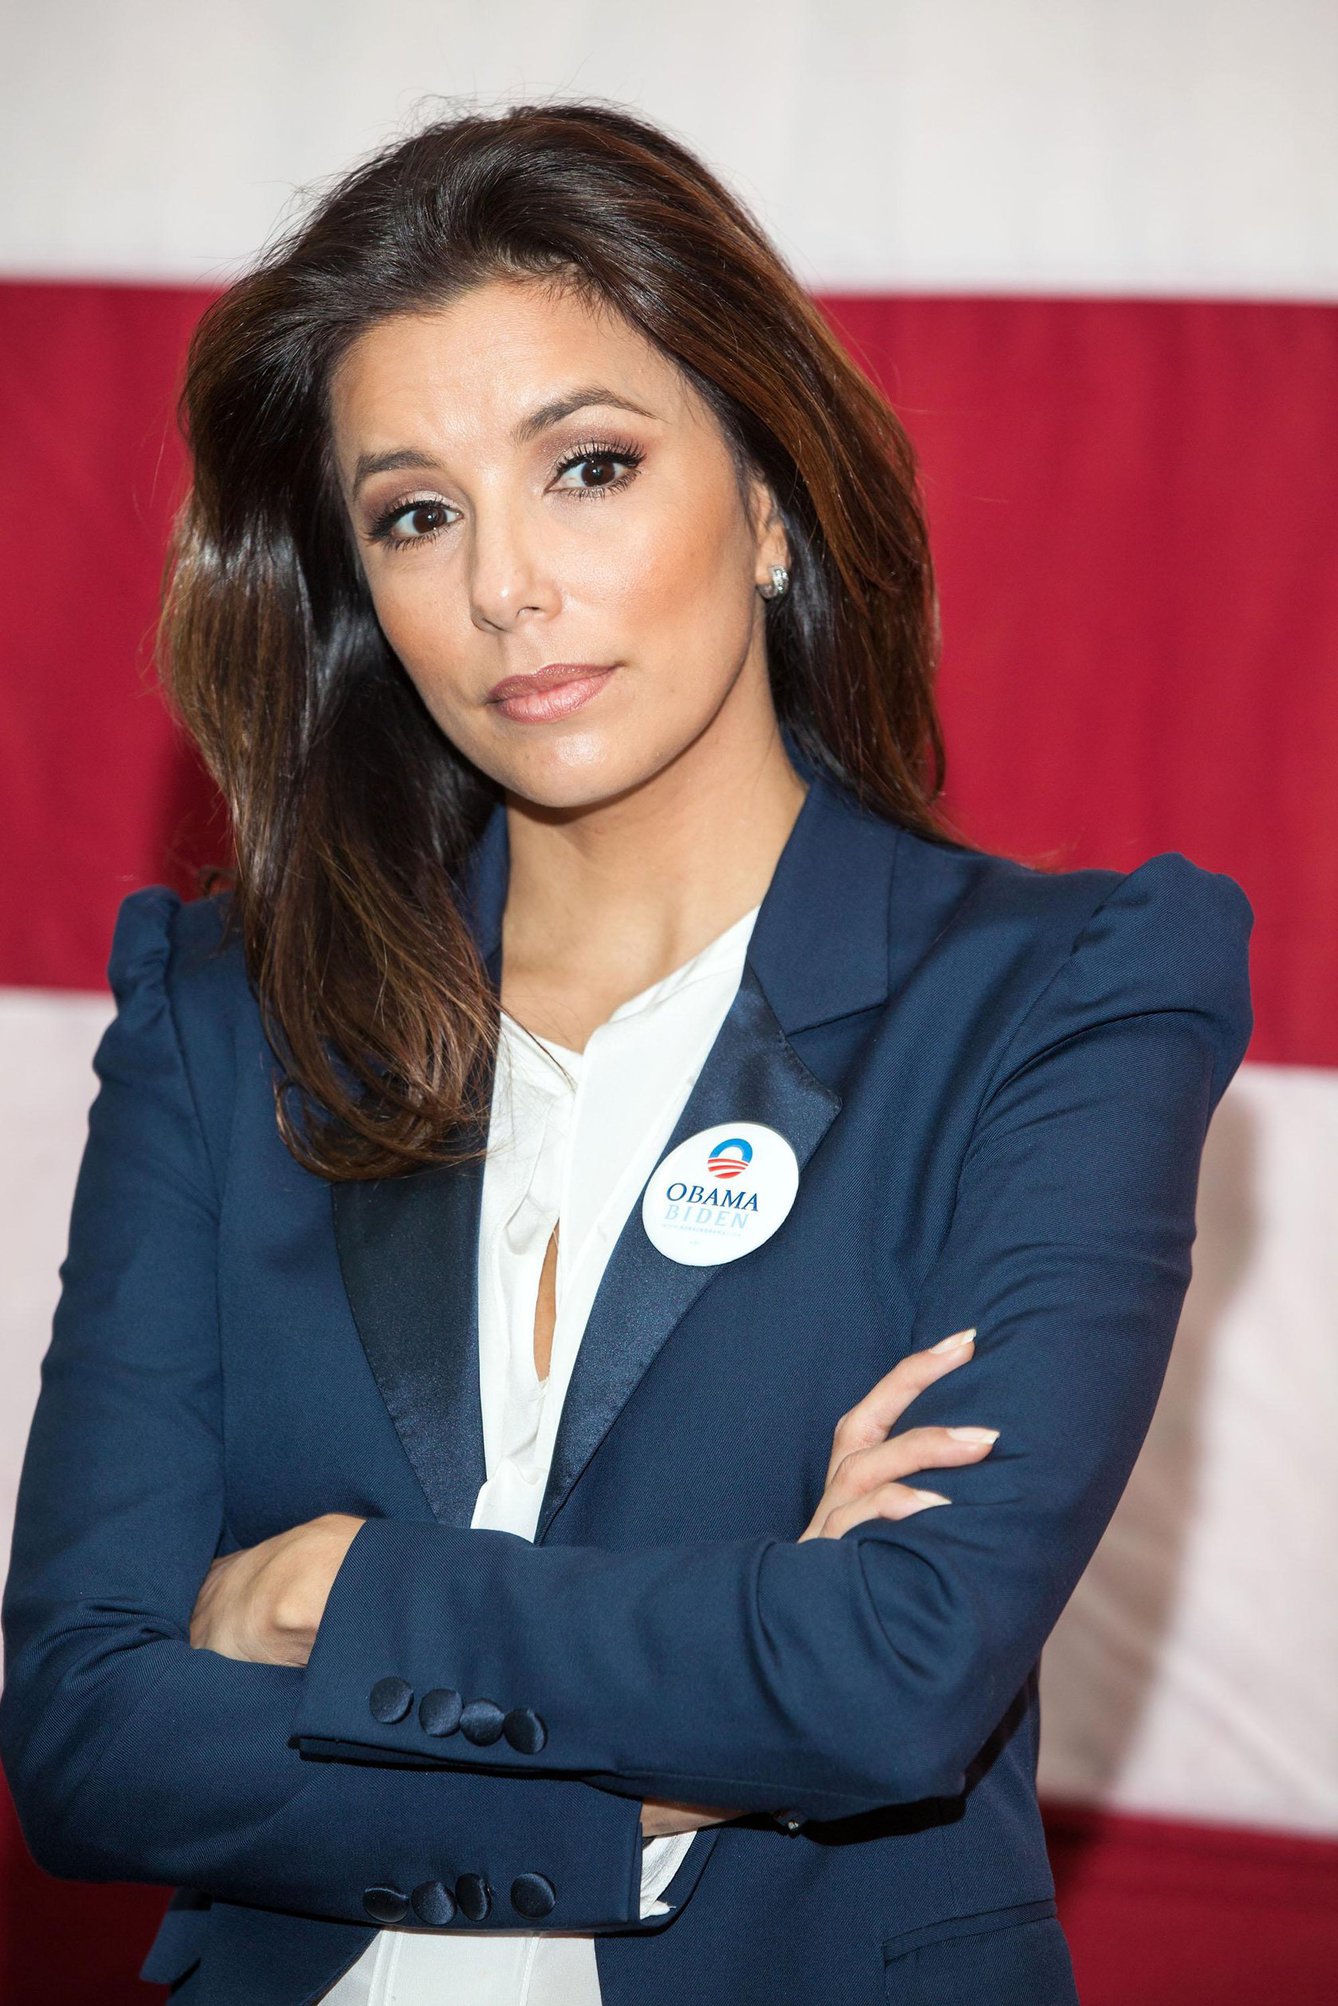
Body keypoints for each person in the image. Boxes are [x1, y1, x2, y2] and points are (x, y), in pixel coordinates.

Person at [0, 102, 1252, 2006]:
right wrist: (659, 1778)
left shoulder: (1060, 994)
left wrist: (335, 1589)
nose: (506, 585)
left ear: (766, 501)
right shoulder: (218, 1007)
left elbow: (897, 1671)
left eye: (584, 466)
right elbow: (87, 1729)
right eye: (416, 511)